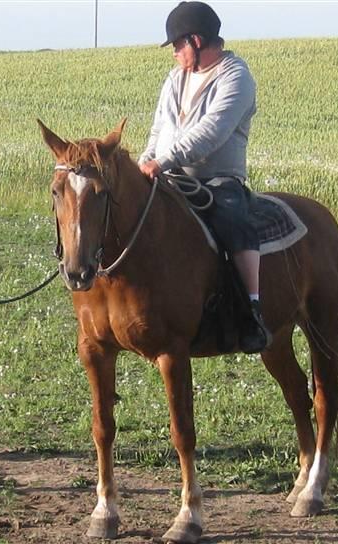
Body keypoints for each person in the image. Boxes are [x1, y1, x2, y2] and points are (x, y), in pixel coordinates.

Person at [138, 1, 271, 354]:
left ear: (196, 40)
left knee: (233, 219)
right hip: (168, 175)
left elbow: (212, 133)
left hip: (217, 180)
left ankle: (251, 310)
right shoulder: (175, 78)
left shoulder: (236, 77)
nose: (175, 54)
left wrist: (164, 160)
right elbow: (159, 129)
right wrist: (146, 160)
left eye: (178, 45)